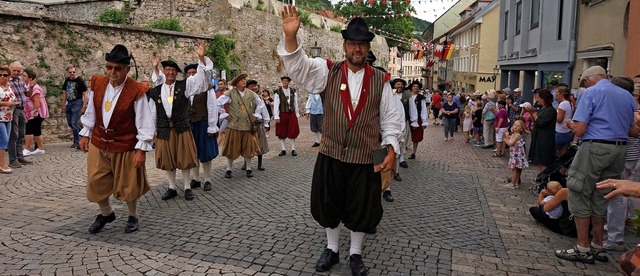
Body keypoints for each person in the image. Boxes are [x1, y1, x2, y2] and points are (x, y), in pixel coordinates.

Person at [278, 6, 403, 276]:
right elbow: (298, 69)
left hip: (366, 156)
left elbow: (392, 120)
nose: (357, 49)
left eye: (361, 44)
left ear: (368, 47)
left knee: (362, 208)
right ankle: (332, 248)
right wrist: (290, 37)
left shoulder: (382, 80)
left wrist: (391, 149)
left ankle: (355, 253)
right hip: (332, 153)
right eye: (352, 44)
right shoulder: (327, 71)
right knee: (329, 203)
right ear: (344, 45)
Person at [555, 66, 638, 264]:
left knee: (579, 191)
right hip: (619, 149)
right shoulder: (627, 96)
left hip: (595, 148)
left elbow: (581, 129)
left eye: (583, 82)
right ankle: (598, 246)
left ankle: (583, 248)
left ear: (590, 79)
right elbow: (633, 131)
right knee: (601, 195)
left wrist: (571, 124)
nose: (583, 86)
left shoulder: (592, 93)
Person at [79, 44, 155, 234]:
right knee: (95, 181)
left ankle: (132, 216)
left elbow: (144, 120)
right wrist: (85, 133)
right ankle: (106, 213)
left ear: (127, 70)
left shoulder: (135, 90)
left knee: (129, 185)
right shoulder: (98, 83)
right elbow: (91, 110)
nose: (112, 72)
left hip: (125, 144)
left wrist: (141, 149)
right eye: (109, 67)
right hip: (99, 141)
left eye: (117, 68)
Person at [149, 41, 213, 201]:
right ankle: (171, 187)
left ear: (177, 73)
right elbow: (152, 111)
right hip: (164, 128)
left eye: (173, 70)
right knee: (167, 159)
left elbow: (202, 81)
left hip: (182, 127)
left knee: (184, 158)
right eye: (167, 70)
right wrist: (153, 130)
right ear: (164, 71)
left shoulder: (185, 85)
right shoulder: (156, 90)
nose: (170, 73)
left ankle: (186, 187)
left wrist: (201, 58)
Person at [216, 73, 265, 179]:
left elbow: (260, 103)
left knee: (248, 148)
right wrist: (224, 114)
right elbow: (218, 103)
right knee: (231, 148)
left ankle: (248, 169)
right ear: (237, 83)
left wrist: (256, 115)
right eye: (242, 80)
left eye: (244, 79)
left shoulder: (251, 93)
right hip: (234, 125)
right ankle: (229, 169)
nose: (244, 81)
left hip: (247, 126)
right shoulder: (230, 93)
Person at [186, 63, 219, 192]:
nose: (191, 75)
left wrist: (212, 126)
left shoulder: (208, 88)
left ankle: (207, 179)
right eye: (189, 73)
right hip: (190, 123)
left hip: (204, 122)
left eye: (194, 73)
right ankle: (195, 179)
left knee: (205, 152)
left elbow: (212, 107)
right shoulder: (187, 90)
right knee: (193, 152)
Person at [8, 62, 32, 168]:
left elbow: (27, 94)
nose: (16, 73)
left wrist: (30, 86)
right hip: (13, 109)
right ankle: (13, 159)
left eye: (18, 71)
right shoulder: (7, 81)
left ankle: (20, 156)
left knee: (21, 134)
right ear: (10, 69)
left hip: (22, 109)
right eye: (14, 70)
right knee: (14, 135)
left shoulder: (21, 80)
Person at [244, 79, 270, 171]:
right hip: (247, 124)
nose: (254, 88)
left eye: (255, 86)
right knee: (246, 144)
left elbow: (264, 111)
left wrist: (266, 122)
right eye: (251, 86)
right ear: (247, 87)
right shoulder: (244, 98)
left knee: (260, 144)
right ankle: (245, 163)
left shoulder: (259, 98)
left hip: (258, 123)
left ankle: (260, 163)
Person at [528, 89, 556, 173]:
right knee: (540, 161)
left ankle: (543, 180)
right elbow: (536, 121)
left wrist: (534, 114)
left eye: (538, 97)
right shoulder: (543, 109)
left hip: (545, 139)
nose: (537, 100)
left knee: (544, 161)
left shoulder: (550, 110)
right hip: (539, 137)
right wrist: (532, 114)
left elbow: (541, 123)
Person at [22, 69, 49, 155]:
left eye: (24, 76)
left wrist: (35, 111)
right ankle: (40, 148)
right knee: (37, 130)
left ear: (30, 78)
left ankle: (26, 149)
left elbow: (36, 101)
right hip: (35, 112)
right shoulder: (28, 86)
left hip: (36, 113)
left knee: (29, 130)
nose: (22, 77)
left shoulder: (35, 88)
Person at [61, 66, 88, 149]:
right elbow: (65, 93)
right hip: (69, 103)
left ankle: (76, 142)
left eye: (73, 72)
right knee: (70, 123)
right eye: (70, 72)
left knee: (74, 122)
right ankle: (84, 134)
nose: (72, 73)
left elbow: (85, 94)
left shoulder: (80, 81)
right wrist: (63, 105)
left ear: (76, 72)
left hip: (77, 102)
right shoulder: (67, 80)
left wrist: (84, 106)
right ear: (68, 73)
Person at [273, 76, 301, 156]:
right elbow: (276, 104)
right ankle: (283, 149)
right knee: (281, 131)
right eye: (283, 81)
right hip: (282, 113)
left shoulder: (293, 91)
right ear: (281, 82)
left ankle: (293, 149)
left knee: (292, 130)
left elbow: (295, 103)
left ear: (289, 82)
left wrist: (297, 114)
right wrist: (276, 116)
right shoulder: (278, 92)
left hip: (291, 113)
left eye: (286, 81)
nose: (285, 82)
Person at [0, 67, 18, 173]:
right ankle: (2, 163)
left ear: (9, 77)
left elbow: (12, 98)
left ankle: (2, 161)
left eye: (5, 75)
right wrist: (7, 103)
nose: (2, 77)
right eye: (0, 75)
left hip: (8, 116)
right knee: (3, 140)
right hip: (0, 118)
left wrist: (14, 103)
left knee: (5, 140)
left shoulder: (9, 87)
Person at [504, 120, 528, 188]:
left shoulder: (517, 136)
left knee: (515, 170)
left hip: (516, 155)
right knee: (516, 169)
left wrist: (505, 138)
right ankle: (516, 183)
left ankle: (512, 183)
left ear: (521, 129)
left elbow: (510, 143)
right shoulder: (514, 134)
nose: (515, 127)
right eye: (515, 125)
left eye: (518, 126)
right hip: (514, 154)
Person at [555, 86, 574, 157]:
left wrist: (553, 115)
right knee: (563, 151)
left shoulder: (563, 104)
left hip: (560, 131)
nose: (555, 94)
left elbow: (559, 119)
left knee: (558, 152)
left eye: (557, 92)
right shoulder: (569, 103)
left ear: (561, 94)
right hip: (566, 131)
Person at [215, 79, 230, 146]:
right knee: (224, 132)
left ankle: (216, 147)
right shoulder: (216, 94)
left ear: (225, 85)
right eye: (218, 84)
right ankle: (226, 148)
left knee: (221, 131)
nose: (219, 86)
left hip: (227, 115)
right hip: (219, 116)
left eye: (221, 84)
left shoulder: (229, 93)